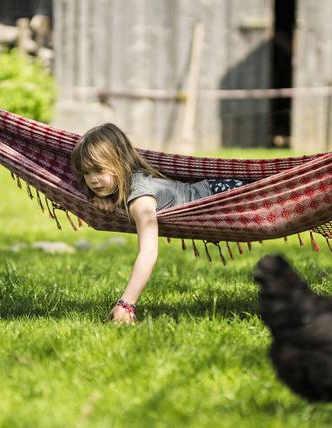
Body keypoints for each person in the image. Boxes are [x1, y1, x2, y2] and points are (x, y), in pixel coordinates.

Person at [70, 123, 247, 324]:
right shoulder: (125, 184)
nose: (92, 180)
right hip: (220, 190)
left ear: (119, 162)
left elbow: (148, 252)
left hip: (231, 198)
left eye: (99, 170)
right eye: (86, 173)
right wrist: (101, 199)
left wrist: (126, 303)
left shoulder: (140, 199)